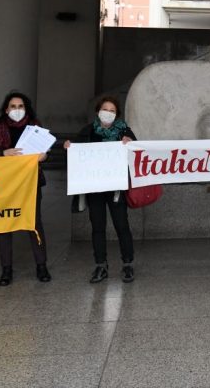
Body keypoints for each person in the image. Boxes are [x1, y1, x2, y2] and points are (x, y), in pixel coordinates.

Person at [0, 92, 51, 286]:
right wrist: (3, 153)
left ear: (26, 109)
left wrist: (44, 157)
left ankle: (41, 265)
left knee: (34, 223)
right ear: (6, 109)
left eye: (20, 106)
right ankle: (6, 269)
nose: (17, 110)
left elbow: (46, 152)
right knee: (4, 224)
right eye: (13, 106)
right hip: (4, 184)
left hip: (30, 182)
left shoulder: (35, 128)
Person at [64, 96, 137, 283]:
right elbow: (76, 152)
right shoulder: (87, 131)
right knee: (98, 227)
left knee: (122, 225)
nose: (108, 113)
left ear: (117, 114)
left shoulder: (124, 131)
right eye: (105, 109)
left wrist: (130, 143)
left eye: (112, 111)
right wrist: (69, 148)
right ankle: (100, 266)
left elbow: (136, 150)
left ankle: (127, 264)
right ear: (98, 112)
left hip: (116, 189)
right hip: (94, 189)